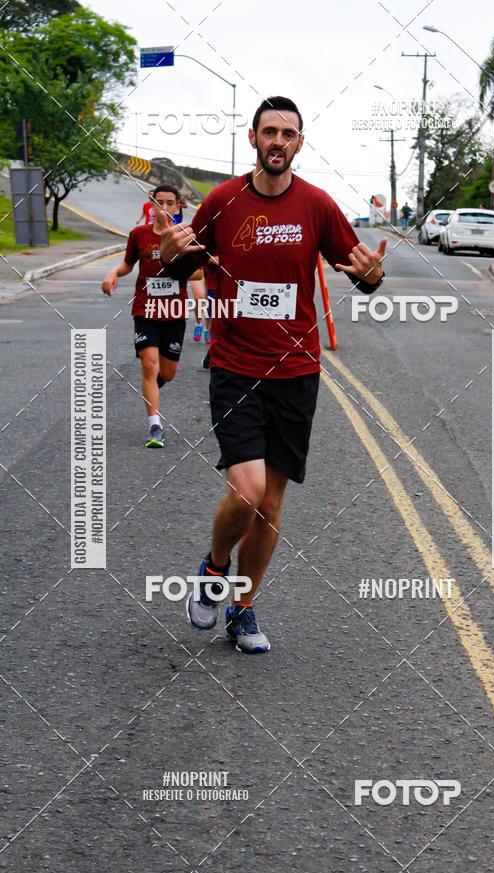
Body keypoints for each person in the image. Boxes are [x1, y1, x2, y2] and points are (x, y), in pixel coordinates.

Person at [157, 96, 386, 653]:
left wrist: (373, 277)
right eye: (270, 132)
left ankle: (243, 608)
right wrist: (168, 252)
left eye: (289, 133)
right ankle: (214, 571)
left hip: (297, 370)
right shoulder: (223, 200)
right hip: (235, 367)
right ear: (253, 138)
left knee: (272, 504)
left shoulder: (317, 205)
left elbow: (358, 269)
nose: (278, 141)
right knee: (248, 488)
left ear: (299, 143)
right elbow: (183, 260)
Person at [102, 184, 199, 448]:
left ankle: (151, 389)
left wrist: (182, 269)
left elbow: (198, 274)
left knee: (167, 372)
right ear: (151, 204)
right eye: (160, 203)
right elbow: (127, 264)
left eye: (170, 203)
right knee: (149, 363)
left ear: (178, 206)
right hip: (145, 308)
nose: (165, 208)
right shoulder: (138, 235)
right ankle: (155, 427)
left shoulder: (185, 237)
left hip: (174, 312)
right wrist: (112, 273)